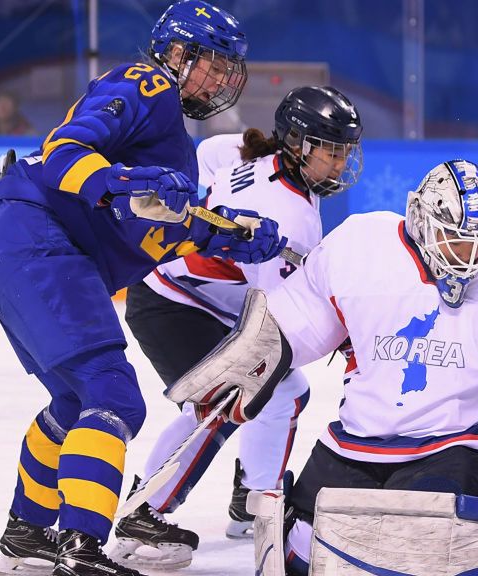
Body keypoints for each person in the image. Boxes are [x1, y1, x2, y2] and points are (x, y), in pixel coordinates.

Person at [165, 159, 478, 575]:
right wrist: (252, 359)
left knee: (414, 551)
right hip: (355, 441)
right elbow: (294, 324)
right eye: (457, 239)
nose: (470, 256)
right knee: (299, 551)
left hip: (460, 446)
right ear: (421, 220)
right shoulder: (358, 246)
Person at [0, 2, 285, 575]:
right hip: (40, 241)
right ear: (176, 53)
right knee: (111, 395)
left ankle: (27, 530)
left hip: (18, 248)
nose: (220, 80)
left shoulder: (173, 145)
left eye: (227, 70)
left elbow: (165, 227)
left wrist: (234, 234)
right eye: (212, 64)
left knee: (75, 401)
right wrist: (118, 180)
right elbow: (65, 152)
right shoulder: (147, 84)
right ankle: (80, 548)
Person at [109, 85, 363, 570]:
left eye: (345, 151)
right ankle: (146, 510)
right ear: (297, 144)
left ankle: (253, 501)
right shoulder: (286, 213)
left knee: (279, 391)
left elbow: (211, 152)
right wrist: (352, 336)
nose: (339, 163)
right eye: (331, 151)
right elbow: (279, 321)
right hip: (173, 305)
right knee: (234, 397)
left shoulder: (259, 160)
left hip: (196, 297)